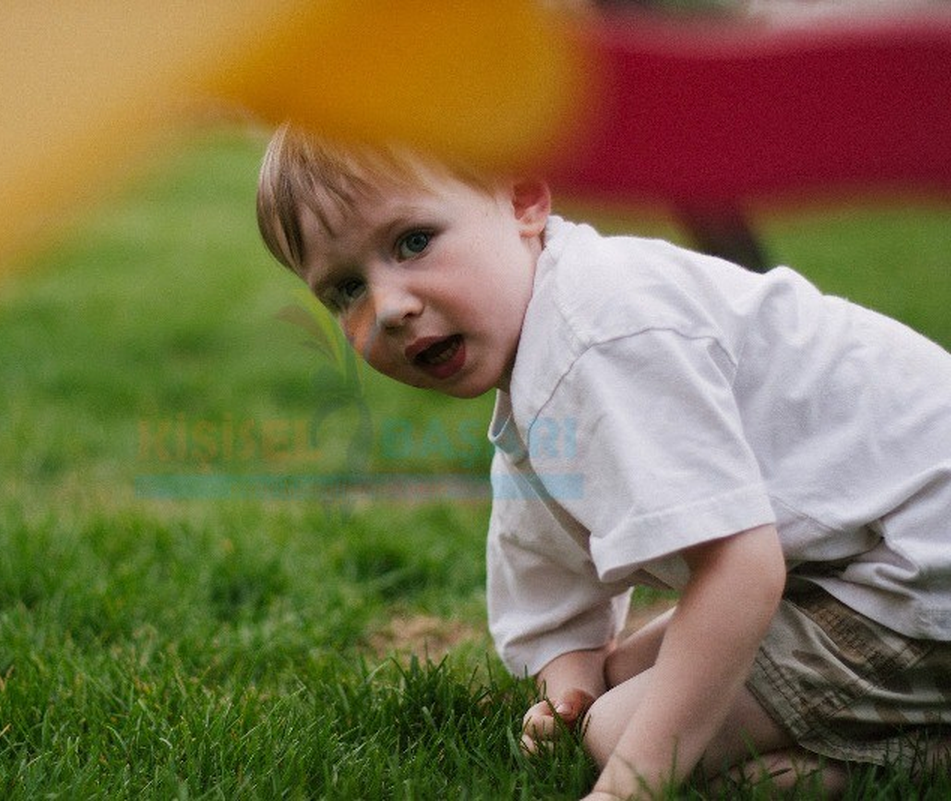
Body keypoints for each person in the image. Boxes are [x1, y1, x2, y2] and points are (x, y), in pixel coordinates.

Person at [255, 123, 951, 798]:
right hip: (860, 560)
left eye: (414, 241)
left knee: (623, 731)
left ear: (524, 201)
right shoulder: (550, 348)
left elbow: (741, 568)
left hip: (920, 570)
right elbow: (548, 566)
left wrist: (628, 786)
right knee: (614, 685)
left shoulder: (601, 334)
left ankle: (928, 751)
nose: (390, 306)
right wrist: (572, 684)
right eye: (345, 289)